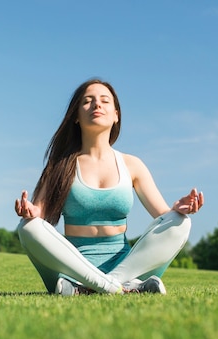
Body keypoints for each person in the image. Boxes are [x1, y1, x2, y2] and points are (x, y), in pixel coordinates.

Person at [14, 79, 204, 296]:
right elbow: (40, 214)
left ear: (116, 115)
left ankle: (102, 285)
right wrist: (32, 212)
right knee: (28, 227)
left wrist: (178, 209)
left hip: (125, 267)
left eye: (105, 101)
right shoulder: (60, 165)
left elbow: (162, 218)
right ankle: (123, 288)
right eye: (88, 101)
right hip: (70, 271)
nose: (97, 105)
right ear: (75, 116)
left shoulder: (132, 165)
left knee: (180, 223)